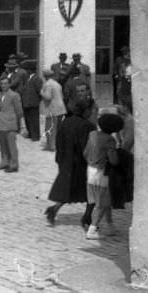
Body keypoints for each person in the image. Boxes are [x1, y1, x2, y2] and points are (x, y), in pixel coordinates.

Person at [44, 96, 95, 228]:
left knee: (68, 190)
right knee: (92, 191)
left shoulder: (66, 122)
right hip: (82, 164)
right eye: (92, 109)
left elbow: (59, 141)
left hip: (67, 162)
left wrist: (60, 159)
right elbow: (87, 147)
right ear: (86, 111)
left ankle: (54, 209)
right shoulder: (88, 126)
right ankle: (87, 217)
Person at [84, 111, 123, 240]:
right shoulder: (110, 140)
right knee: (101, 204)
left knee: (105, 201)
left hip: (90, 171)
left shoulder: (92, 134)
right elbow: (114, 161)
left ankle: (110, 226)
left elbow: (85, 153)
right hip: (102, 173)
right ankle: (92, 229)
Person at [0, 77, 23, 173]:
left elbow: (19, 111)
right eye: (2, 84)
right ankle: (4, 162)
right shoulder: (0, 94)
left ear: (9, 84)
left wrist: (19, 124)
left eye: (6, 83)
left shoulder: (14, 95)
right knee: (3, 145)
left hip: (10, 124)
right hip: (0, 123)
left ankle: (14, 165)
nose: (3, 85)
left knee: (11, 145)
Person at [40, 69, 67, 152]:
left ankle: (51, 146)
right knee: (58, 128)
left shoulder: (48, 85)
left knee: (50, 127)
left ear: (45, 76)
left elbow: (48, 97)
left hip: (52, 109)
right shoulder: (57, 84)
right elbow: (62, 96)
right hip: (61, 108)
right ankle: (58, 145)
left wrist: (41, 92)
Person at [20, 60, 42, 141]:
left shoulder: (37, 79)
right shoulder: (27, 79)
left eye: (27, 70)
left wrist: (36, 101)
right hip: (26, 103)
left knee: (34, 120)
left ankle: (35, 136)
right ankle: (30, 133)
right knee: (28, 119)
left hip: (33, 103)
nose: (26, 71)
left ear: (30, 70)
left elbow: (40, 92)